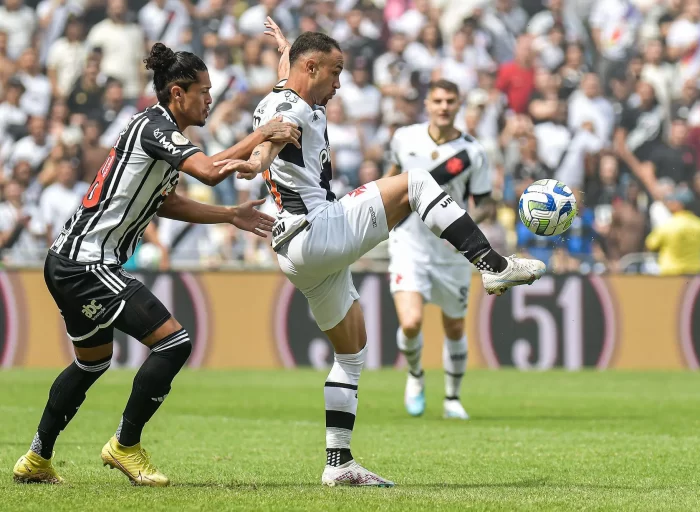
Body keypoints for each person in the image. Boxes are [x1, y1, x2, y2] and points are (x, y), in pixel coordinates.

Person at [218, 18, 545, 487]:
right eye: (335, 71)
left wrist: (286, 48)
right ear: (312, 68)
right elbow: (276, 136)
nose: (339, 82)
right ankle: (492, 265)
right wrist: (255, 159)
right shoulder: (294, 110)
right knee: (415, 182)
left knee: (351, 355)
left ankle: (339, 464)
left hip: (293, 250)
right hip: (317, 228)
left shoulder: (283, 92)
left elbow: (288, 85)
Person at [13, 42, 299, 486]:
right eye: (204, 91)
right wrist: (263, 133)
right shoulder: (155, 125)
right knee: (174, 343)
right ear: (177, 93)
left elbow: (165, 202)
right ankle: (125, 445)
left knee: (92, 363)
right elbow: (208, 171)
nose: (210, 99)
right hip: (87, 263)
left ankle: (36, 458)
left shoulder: (159, 132)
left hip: (69, 260)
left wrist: (229, 214)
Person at [383, 79, 493, 420]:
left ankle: (452, 398)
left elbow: (486, 203)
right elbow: (389, 181)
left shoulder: (473, 152)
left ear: (459, 105)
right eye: (438, 101)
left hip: (451, 254)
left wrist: (462, 227)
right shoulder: (404, 138)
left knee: (455, 328)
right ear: (427, 105)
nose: (444, 107)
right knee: (412, 322)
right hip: (410, 244)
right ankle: (415, 375)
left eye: (450, 101)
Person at [645, 187, 700, 276]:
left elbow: (650, 244)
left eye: (673, 201)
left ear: (679, 205)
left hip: (670, 274)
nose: (670, 203)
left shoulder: (669, 224)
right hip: (694, 273)